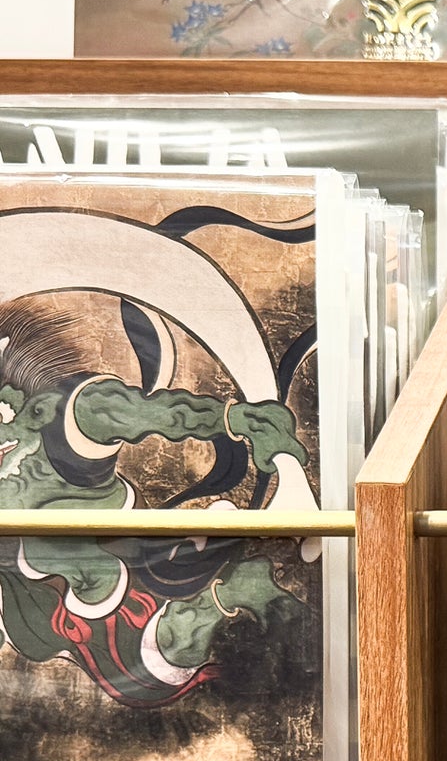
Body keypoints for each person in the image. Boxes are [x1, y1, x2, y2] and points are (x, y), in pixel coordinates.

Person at [0, 291, 310, 707]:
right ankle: (240, 593)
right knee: (150, 669)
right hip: (62, 619)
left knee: (165, 647)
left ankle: (244, 593)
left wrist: (236, 420)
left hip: (134, 576)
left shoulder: (77, 412)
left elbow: (156, 413)